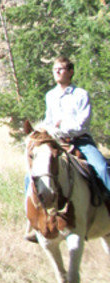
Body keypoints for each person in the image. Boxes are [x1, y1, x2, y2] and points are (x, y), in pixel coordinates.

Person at [40, 56, 110, 196]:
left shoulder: (81, 95)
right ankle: (32, 213)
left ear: (70, 72)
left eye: (61, 69)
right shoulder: (50, 96)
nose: (57, 72)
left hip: (81, 141)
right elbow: (48, 121)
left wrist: (60, 128)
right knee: (32, 174)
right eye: (55, 69)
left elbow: (82, 125)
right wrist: (50, 129)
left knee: (102, 168)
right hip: (57, 142)